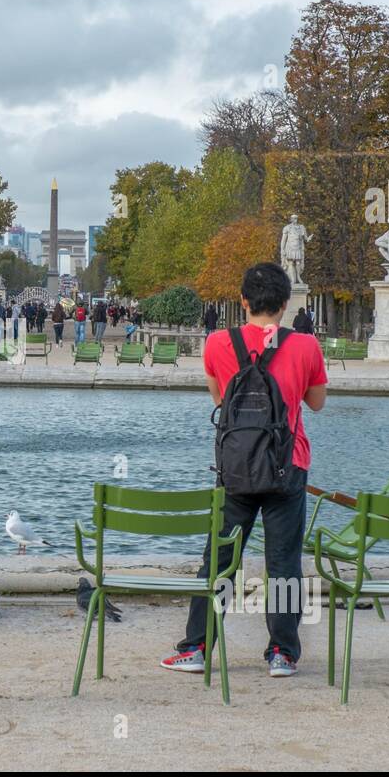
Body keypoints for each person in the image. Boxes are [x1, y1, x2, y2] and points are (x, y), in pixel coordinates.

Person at [162, 262, 327, 679]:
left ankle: (197, 646)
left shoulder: (218, 342)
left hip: (235, 465)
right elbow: (317, 402)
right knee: (284, 562)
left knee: (217, 561)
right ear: (286, 304)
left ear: (242, 300)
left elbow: (219, 399)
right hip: (287, 463)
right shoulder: (306, 345)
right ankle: (282, 653)